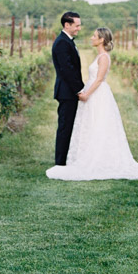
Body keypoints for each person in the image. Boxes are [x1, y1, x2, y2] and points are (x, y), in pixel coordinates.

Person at [46, 27, 138, 182]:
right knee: (90, 125)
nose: (91, 37)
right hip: (91, 94)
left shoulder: (104, 57)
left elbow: (99, 79)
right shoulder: (99, 56)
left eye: (94, 35)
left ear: (101, 39)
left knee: (99, 125)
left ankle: (99, 159)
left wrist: (86, 94)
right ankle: (86, 155)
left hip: (97, 95)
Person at [51, 10, 85, 166]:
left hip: (69, 92)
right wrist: (80, 90)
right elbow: (67, 70)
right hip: (67, 93)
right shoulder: (62, 43)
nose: (79, 28)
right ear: (67, 25)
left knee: (69, 126)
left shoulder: (68, 40)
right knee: (65, 127)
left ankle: (66, 159)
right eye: (76, 25)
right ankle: (60, 163)